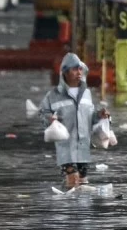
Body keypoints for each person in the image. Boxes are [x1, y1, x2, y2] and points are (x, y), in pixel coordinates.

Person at [39, 53, 110, 189]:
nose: (79, 72)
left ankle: (79, 209)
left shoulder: (86, 94)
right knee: (73, 181)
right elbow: (43, 113)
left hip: (83, 149)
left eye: (80, 69)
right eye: (74, 69)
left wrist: (100, 115)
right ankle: (68, 208)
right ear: (65, 72)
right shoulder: (54, 95)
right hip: (66, 149)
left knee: (82, 184)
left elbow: (90, 118)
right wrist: (50, 119)